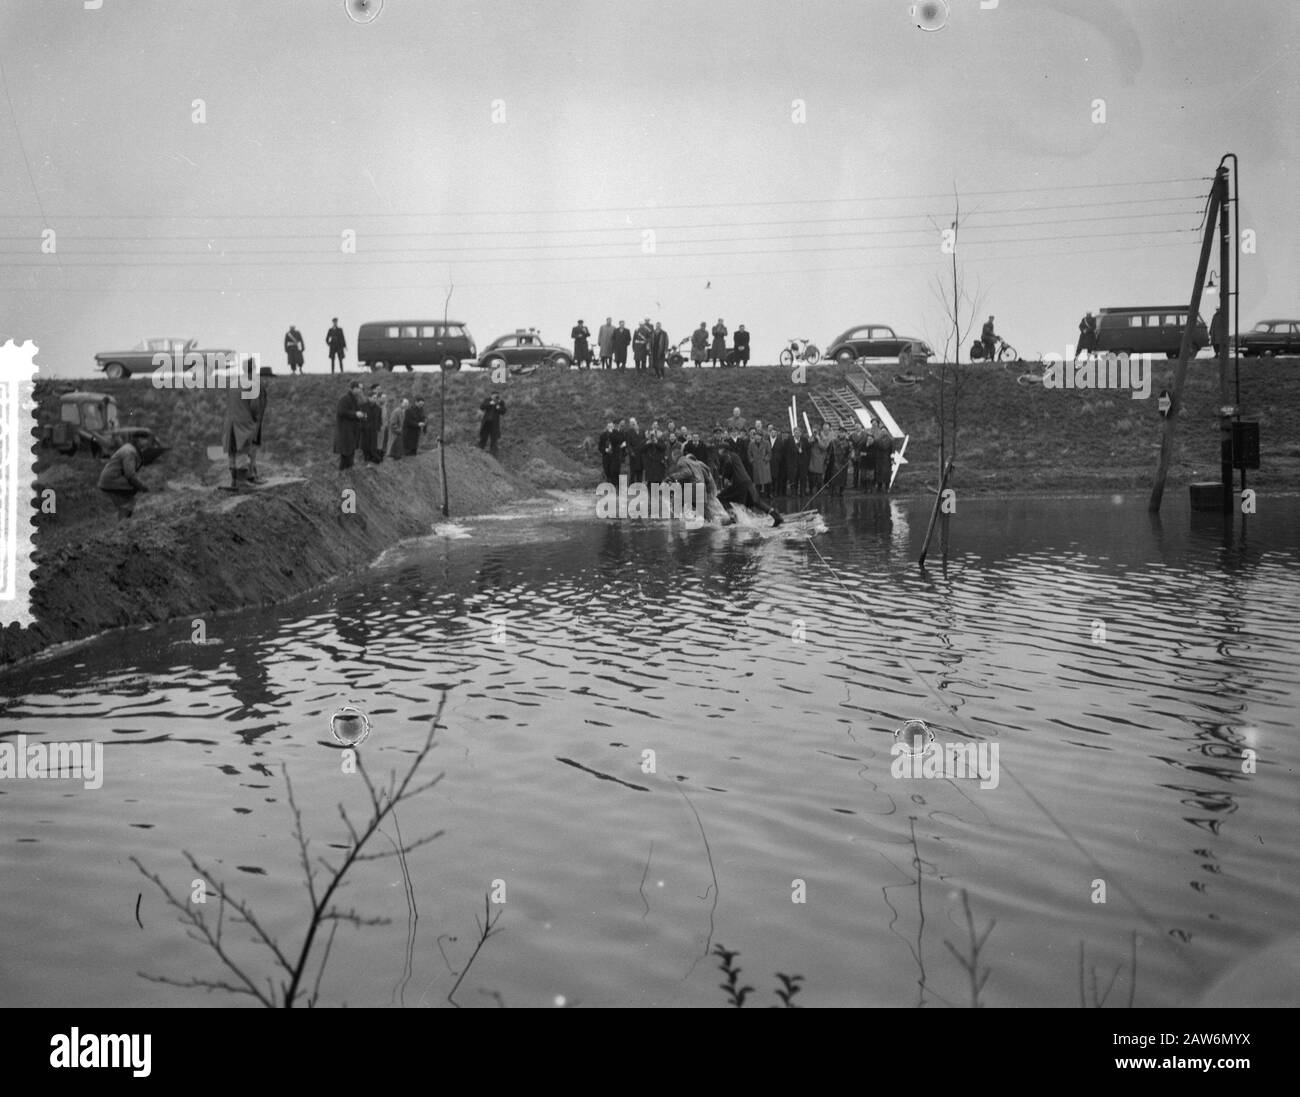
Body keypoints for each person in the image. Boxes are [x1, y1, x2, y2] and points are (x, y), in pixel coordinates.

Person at [715, 449, 783, 525]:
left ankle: (733, 517)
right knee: (756, 502)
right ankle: (775, 515)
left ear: (721, 450)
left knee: (721, 497)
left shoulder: (725, 455)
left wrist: (726, 477)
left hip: (738, 483)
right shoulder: (735, 455)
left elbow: (728, 463)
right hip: (747, 481)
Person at [97, 440, 149, 519]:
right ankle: (122, 526)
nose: (146, 444)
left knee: (129, 501)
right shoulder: (130, 453)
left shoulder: (129, 448)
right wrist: (142, 487)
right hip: (112, 481)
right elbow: (130, 475)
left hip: (110, 479)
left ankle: (124, 523)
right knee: (127, 504)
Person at [334, 380, 366, 470]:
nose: (360, 390)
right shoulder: (345, 399)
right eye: (359, 388)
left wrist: (362, 415)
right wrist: (355, 414)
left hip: (352, 432)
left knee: (350, 453)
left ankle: (348, 475)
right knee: (345, 455)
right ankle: (342, 475)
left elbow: (359, 411)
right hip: (345, 432)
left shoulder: (355, 399)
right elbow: (341, 412)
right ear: (353, 389)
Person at [249, 365, 272, 482]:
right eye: (266, 378)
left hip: (255, 424)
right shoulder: (258, 388)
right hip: (253, 424)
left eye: (269, 379)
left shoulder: (259, 387)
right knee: (252, 449)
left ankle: (253, 474)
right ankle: (252, 476)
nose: (269, 381)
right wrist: (254, 419)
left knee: (253, 449)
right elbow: (253, 406)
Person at [361, 383, 384, 464]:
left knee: (373, 445)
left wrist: (379, 427)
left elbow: (379, 419)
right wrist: (363, 427)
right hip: (365, 430)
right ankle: (366, 458)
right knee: (365, 445)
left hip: (374, 430)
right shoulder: (363, 406)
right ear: (369, 398)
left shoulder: (378, 408)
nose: (375, 399)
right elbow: (360, 419)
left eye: (376, 398)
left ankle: (373, 458)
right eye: (373, 398)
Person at [871, 419, 894, 492]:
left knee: (886, 473)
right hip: (879, 458)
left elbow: (892, 450)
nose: (883, 432)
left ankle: (887, 487)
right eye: (882, 431)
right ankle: (879, 486)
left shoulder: (890, 441)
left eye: (884, 431)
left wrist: (892, 458)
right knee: (879, 473)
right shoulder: (877, 440)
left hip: (886, 458)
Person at [748, 427, 772, 497]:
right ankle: (758, 495)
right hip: (756, 464)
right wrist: (752, 461)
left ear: (761, 437)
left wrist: (766, 459)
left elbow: (769, 452)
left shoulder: (766, 443)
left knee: (767, 480)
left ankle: (769, 494)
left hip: (764, 464)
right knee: (757, 480)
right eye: (756, 436)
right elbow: (749, 453)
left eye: (759, 436)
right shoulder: (751, 444)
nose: (757, 437)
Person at [829, 429, 852, 497]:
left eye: (843, 432)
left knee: (843, 478)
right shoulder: (834, 441)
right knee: (834, 477)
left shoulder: (848, 442)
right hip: (836, 461)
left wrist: (848, 458)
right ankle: (832, 492)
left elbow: (850, 451)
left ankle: (841, 492)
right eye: (840, 432)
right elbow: (830, 451)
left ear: (845, 433)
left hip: (844, 461)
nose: (841, 434)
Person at [625, 417, 644, 484]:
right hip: (633, 454)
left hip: (641, 454)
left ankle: (639, 486)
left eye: (634, 422)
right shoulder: (628, 432)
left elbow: (644, 441)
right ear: (630, 424)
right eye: (631, 423)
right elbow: (628, 444)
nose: (633, 424)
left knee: (640, 471)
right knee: (633, 472)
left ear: (636, 422)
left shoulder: (642, 431)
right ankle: (631, 487)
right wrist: (631, 452)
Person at [792, 427, 811, 494]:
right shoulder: (790, 440)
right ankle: (794, 492)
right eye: (796, 432)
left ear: (801, 433)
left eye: (798, 432)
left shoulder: (804, 440)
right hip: (794, 463)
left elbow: (809, 451)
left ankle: (802, 492)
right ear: (793, 433)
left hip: (803, 463)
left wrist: (806, 460)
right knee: (794, 479)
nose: (797, 434)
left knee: (803, 479)